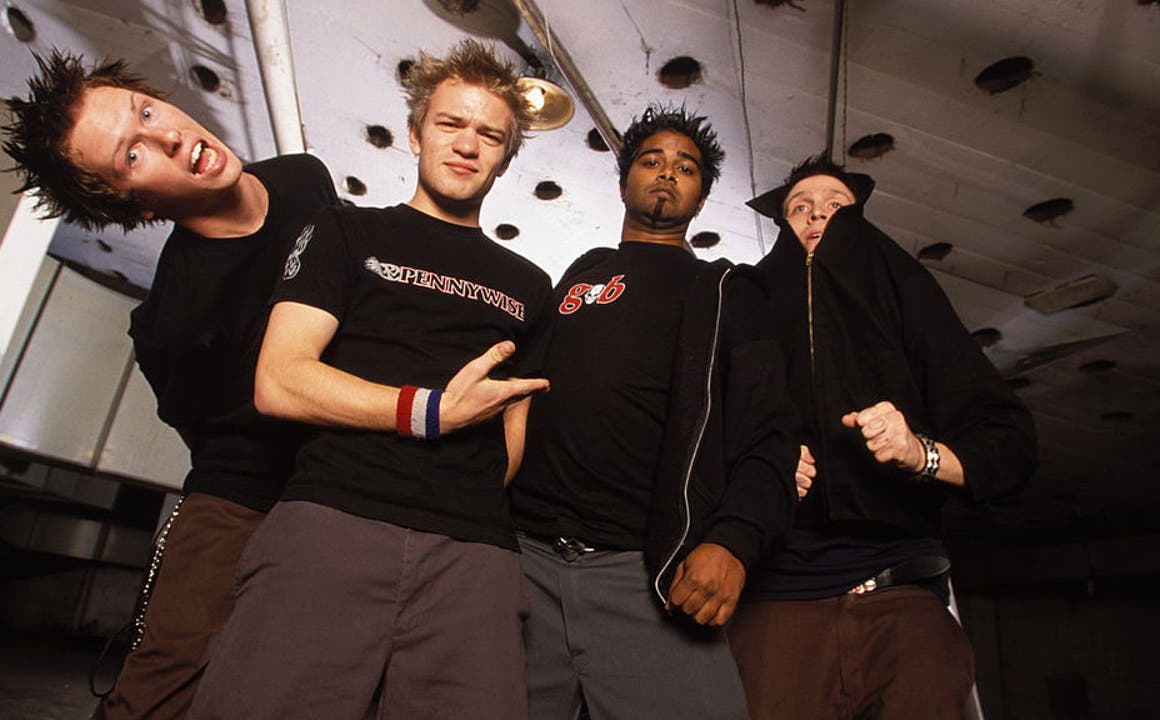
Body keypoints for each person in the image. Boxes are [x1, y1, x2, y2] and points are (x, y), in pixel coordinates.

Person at [187, 39, 552, 720]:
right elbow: (280, 380)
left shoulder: (531, 285)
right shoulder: (345, 232)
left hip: (475, 554)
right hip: (332, 523)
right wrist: (431, 413)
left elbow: (514, 432)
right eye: (450, 124)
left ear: (505, 159)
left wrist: (459, 490)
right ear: (415, 134)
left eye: (489, 135)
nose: (466, 145)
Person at [2, 50, 339, 720]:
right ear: (133, 203)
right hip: (241, 493)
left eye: (148, 112)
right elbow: (204, 432)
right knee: (162, 685)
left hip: (339, 473)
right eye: (132, 155)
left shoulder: (303, 178)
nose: (171, 139)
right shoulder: (174, 322)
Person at [507, 105, 799, 720]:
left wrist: (733, 541)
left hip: (645, 572)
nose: (667, 173)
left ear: (702, 199)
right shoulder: (583, 273)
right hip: (524, 564)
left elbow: (770, 436)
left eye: (685, 168)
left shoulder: (726, 289)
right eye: (652, 161)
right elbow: (516, 396)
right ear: (623, 184)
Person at [728, 153, 1038, 719]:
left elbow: (1009, 442)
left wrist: (919, 453)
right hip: (778, 599)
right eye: (800, 207)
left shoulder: (907, 293)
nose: (817, 215)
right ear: (781, 226)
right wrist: (759, 466)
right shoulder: (747, 303)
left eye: (835, 205)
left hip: (902, 593)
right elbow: (697, 438)